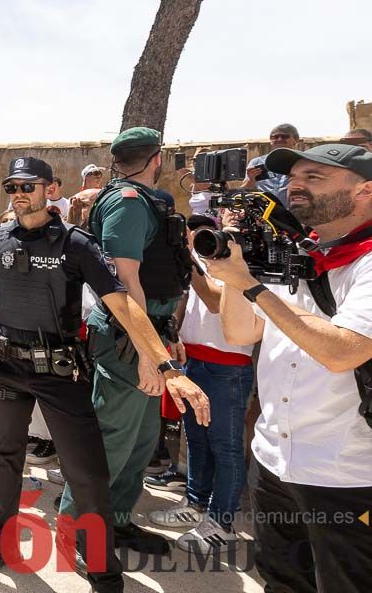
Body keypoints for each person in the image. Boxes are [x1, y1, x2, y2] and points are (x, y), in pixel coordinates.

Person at [0, 156, 209, 587]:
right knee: (6, 460)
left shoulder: (76, 244)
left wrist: (164, 363)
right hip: (5, 367)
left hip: (58, 373)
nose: (19, 194)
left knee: (88, 473)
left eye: (28, 185)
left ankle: (104, 573)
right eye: (13, 186)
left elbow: (122, 304)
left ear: (50, 189)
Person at [205, 142, 372, 591]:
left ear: (366, 191)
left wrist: (254, 288)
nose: (296, 187)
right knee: (281, 579)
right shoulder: (298, 252)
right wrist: (231, 274)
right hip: (275, 461)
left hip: (349, 471)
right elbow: (241, 334)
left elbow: (343, 352)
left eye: (314, 178)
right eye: (294, 177)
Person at [58, 128, 197, 557]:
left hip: (149, 330)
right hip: (127, 338)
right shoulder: (129, 204)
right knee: (111, 439)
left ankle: (116, 522)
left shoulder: (142, 200)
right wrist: (144, 353)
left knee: (138, 440)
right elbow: (124, 281)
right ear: (156, 158)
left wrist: (161, 342)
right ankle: (80, 534)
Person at [148, 214, 253, 552]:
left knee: (225, 445)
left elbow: (212, 300)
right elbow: (188, 301)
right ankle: (195, 506)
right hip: (192, 359)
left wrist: (188, 256)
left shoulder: (244, 261)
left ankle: (222, 523)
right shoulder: (207, 256)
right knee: (196, 439)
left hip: (229, 365)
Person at [246, 123, 300, 204]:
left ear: (296, 140)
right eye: (275, 137)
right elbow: (245, 191)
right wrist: (251, 180)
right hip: (264, 213)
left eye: (284, 136)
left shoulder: (302, 162)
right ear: (270, 140)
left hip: (291, 213)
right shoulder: (256, 162)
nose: (279, 139)